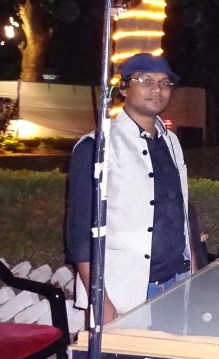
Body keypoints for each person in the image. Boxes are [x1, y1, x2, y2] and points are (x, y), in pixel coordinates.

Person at [65, 53, 195, 323]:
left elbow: (180, 210)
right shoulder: (97, 145)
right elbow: (81, 233)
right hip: (125, 290)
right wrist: (100, 299)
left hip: (176, 281)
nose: (157, 89)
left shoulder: (172, 142)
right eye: (145, 80)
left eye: (165, 83)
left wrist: (193, 267)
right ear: (123, 88)